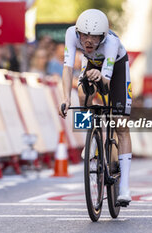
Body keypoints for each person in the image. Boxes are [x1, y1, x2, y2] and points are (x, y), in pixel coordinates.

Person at [58, 9, 132, 205]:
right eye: (84, 35)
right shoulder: (70, 34)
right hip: (90, 62)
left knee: (121, 124)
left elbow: (106, 84)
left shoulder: (112, 43)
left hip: (115, 67)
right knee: (83, 93)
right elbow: (67, 68)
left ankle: (124, 187)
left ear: (103, 37)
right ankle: (91, 139)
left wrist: (101, 77)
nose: (88, 41)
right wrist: (66, 97)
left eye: (94, 37)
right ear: (78, 33)